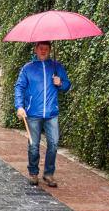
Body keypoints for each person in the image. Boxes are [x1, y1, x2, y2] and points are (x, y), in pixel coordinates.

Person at [14, 41, 71, 187]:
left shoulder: (57, 67)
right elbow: (19, 87)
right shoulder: (28, 68)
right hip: (33, 113)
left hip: (52, 112)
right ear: (36, 49)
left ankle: (48, 174)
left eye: (46, 48)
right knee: (33, 145)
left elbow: (67, 85)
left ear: (50, 50)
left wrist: (60, 83)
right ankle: (33, 173)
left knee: (53, 143)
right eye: (41, 48)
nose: (43, 51)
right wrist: (19, 106)